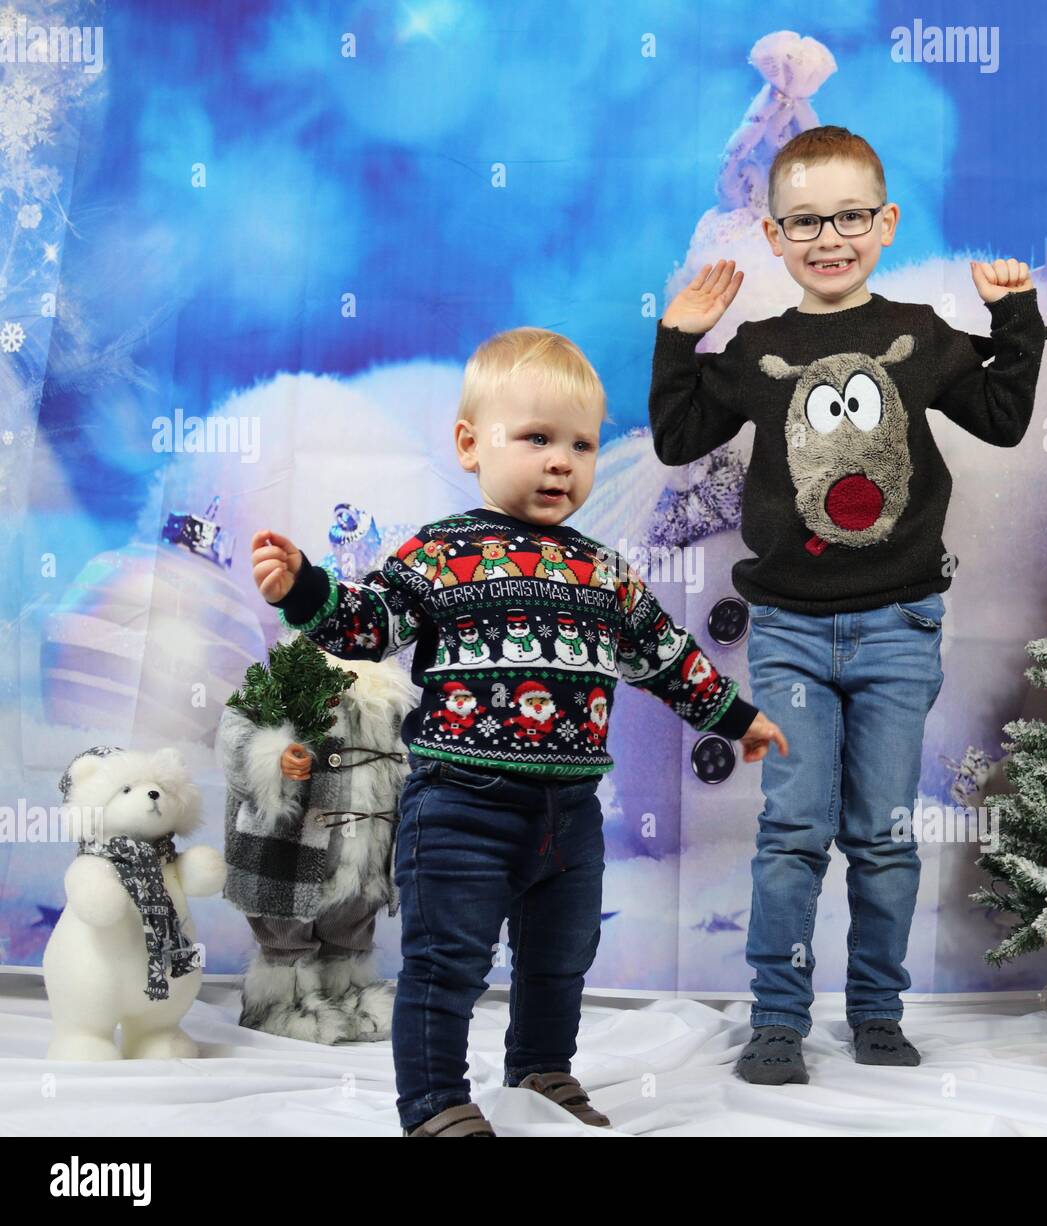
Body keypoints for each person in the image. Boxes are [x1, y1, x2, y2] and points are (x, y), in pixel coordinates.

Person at [251, 327, 788, 1135]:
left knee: (560, 958)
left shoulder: (602, 570)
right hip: (460, 803)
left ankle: (542, 1069)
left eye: (581, 444)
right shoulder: (442, 552)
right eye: (537, 438)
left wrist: (737, 717)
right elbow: (369, 622)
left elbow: (667, 656)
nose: (562, 461)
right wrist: (306, 590)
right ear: (471, 444)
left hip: (569, 812)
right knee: (447, 960)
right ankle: (434, 1101)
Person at [649, 124, 1047, 1084]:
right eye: (806, 221)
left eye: (850, 217)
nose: (830, 237)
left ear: (886, 222)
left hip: (900, 626)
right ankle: (779, 1019)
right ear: (773, 232)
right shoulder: (758, 349)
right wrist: (676, 336)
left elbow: (1000, 418)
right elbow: (675, 437)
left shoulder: (918, 333)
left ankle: (877, 1008)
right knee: (793, 828)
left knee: (880, 831)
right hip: (788, 632)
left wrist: (1018, 318)